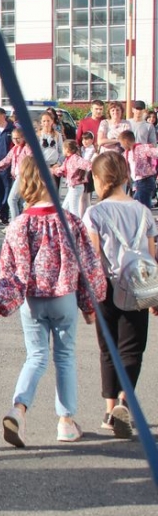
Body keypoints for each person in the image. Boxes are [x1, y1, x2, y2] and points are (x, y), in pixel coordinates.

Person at [0, 157, 105, 447]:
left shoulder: (18, 225)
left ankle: (18, 409)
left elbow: (10, 271)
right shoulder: (71, 221)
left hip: (32, 300)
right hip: (64, 296)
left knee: (35, 356)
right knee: (65, 357)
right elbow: (88, 265)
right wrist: (90, 305)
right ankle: (66, 422)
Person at [81, 152, 156, 440]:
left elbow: (93, 255)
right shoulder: (143, 211)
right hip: (138, 284)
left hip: (106, 285)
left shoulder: (95, 213)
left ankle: (109, 410)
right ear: (127, 177)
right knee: (133, 349)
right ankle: (125, 401)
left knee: (108, 348)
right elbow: (151, 255)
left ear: (98, 179)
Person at [53, 140, 92, 218]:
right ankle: (63, 222)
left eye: (63, 148)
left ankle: (78, 224)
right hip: (72, 187)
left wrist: (85, 174)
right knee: (65, 207)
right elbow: (61, 170)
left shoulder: (76, 158)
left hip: (76, 186)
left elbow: (88, 165)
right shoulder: (68, 159)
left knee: (73, 210)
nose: (62, 150)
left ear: (67, 149)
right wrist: (53, 170)